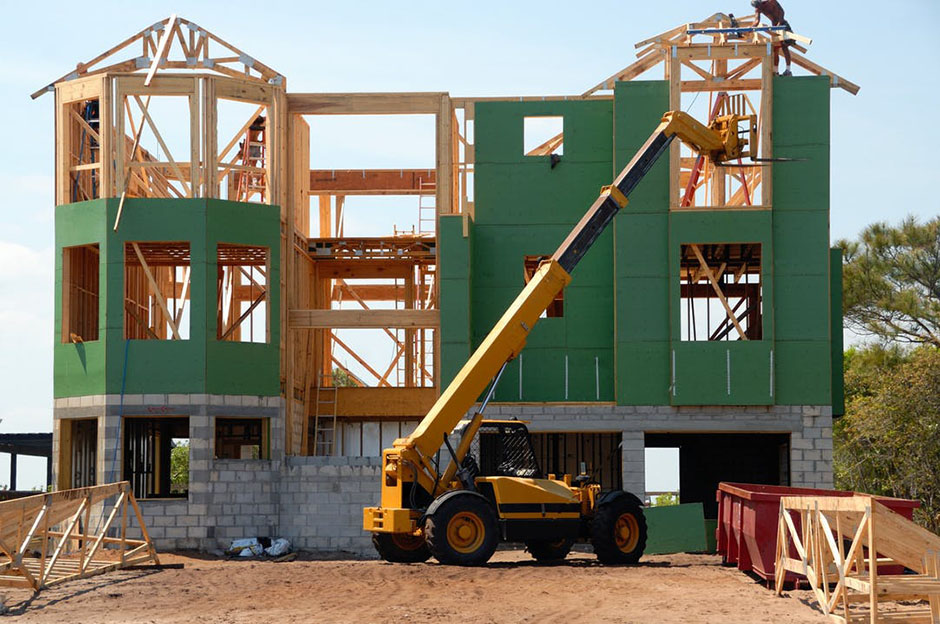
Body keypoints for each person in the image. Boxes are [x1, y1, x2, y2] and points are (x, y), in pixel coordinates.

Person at [751, 0, 794, 76]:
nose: (759, 8)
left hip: (783, 24)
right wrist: (751, 28)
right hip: (774, 27)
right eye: (757, 7)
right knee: (775, 49)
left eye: (759, 6)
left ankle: (788, 70)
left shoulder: (771, 2)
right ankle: (776, 71)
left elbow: (782, 11)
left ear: (761, 3)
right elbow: (757, 21)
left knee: (784, 46)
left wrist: (780, 22)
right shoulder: (758, 9)